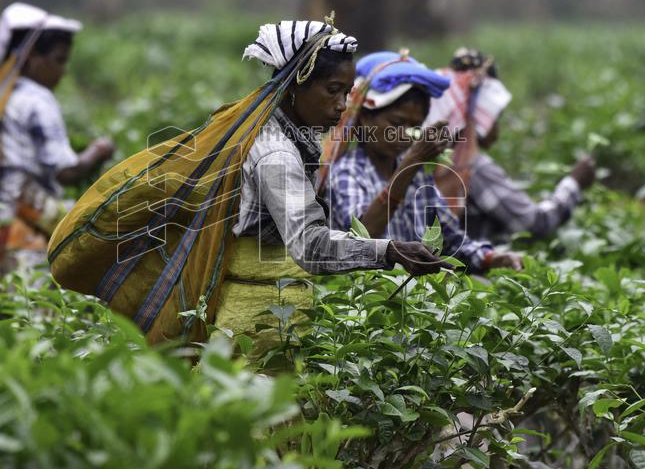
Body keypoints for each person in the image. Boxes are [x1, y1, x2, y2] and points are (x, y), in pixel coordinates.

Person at [47, 19, 449, 348]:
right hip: (258, 316)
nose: (342, 105)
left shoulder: (292, 136)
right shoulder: (276, 153)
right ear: (295, 85)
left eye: (347, 92)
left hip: (274, 306)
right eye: (332, 91)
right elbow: (310, 246)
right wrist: (391, 251)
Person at [0, 3, 114, 272]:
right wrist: (98, 151)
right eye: (59, 60)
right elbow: (66, 171)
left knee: (4, 301)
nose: (63, 71)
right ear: (32, 57)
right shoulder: (37, 100)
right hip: (26, 223)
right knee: (34, 302)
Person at [328, 51, 522, 273]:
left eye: (414, 126)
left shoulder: (417, 174)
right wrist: (410, 164)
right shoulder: (347, 172)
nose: (404, 134)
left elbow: (450, 238)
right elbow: (361, 239)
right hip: (364, 299)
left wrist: (491, 258)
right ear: (365, 118)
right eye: (396, 123)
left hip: (414, 297)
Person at [426, 47, 595, 243]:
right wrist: (574, 183)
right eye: (495, 119)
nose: (497, 129)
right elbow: (534, 223)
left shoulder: (429, 158)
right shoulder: (472, 167)